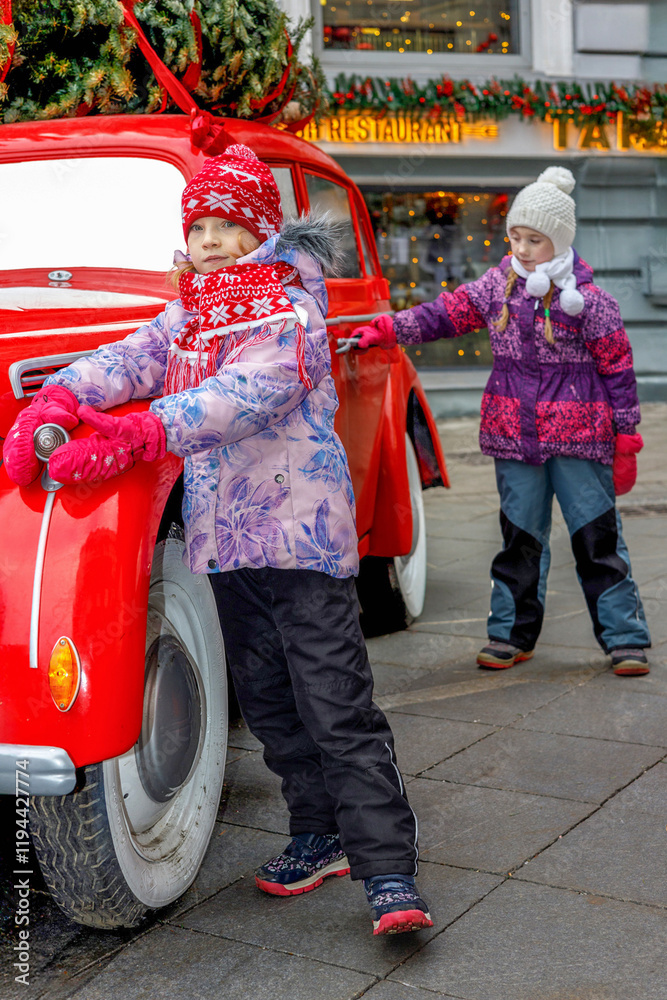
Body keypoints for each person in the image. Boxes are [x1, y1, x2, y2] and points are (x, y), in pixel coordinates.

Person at [3, 144, 433, 936]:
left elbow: (244, 395)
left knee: (336, 704)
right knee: (268, 699)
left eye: (228, 222)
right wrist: (64, 394)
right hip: (226, 544)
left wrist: (140, 431)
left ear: (261, 231)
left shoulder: (288, 308)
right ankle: (317, 833)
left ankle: (389, 873)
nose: (209, 237)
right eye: (198, 223)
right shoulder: (190, 308)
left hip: (298, 540)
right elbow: (133, 355)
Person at [341, 166, 651, 677]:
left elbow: (618, 367)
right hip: (516, 438)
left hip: (581, 440)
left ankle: (624, 638)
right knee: (519, 539)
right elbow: (445, 313)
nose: (523, 249)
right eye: (515, 237)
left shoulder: (591, 303)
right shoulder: (497, 288)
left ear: (561, 240)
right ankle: (510, 635)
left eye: (535, 240)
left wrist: (627, 435)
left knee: (596, 538)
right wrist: (389, 329)